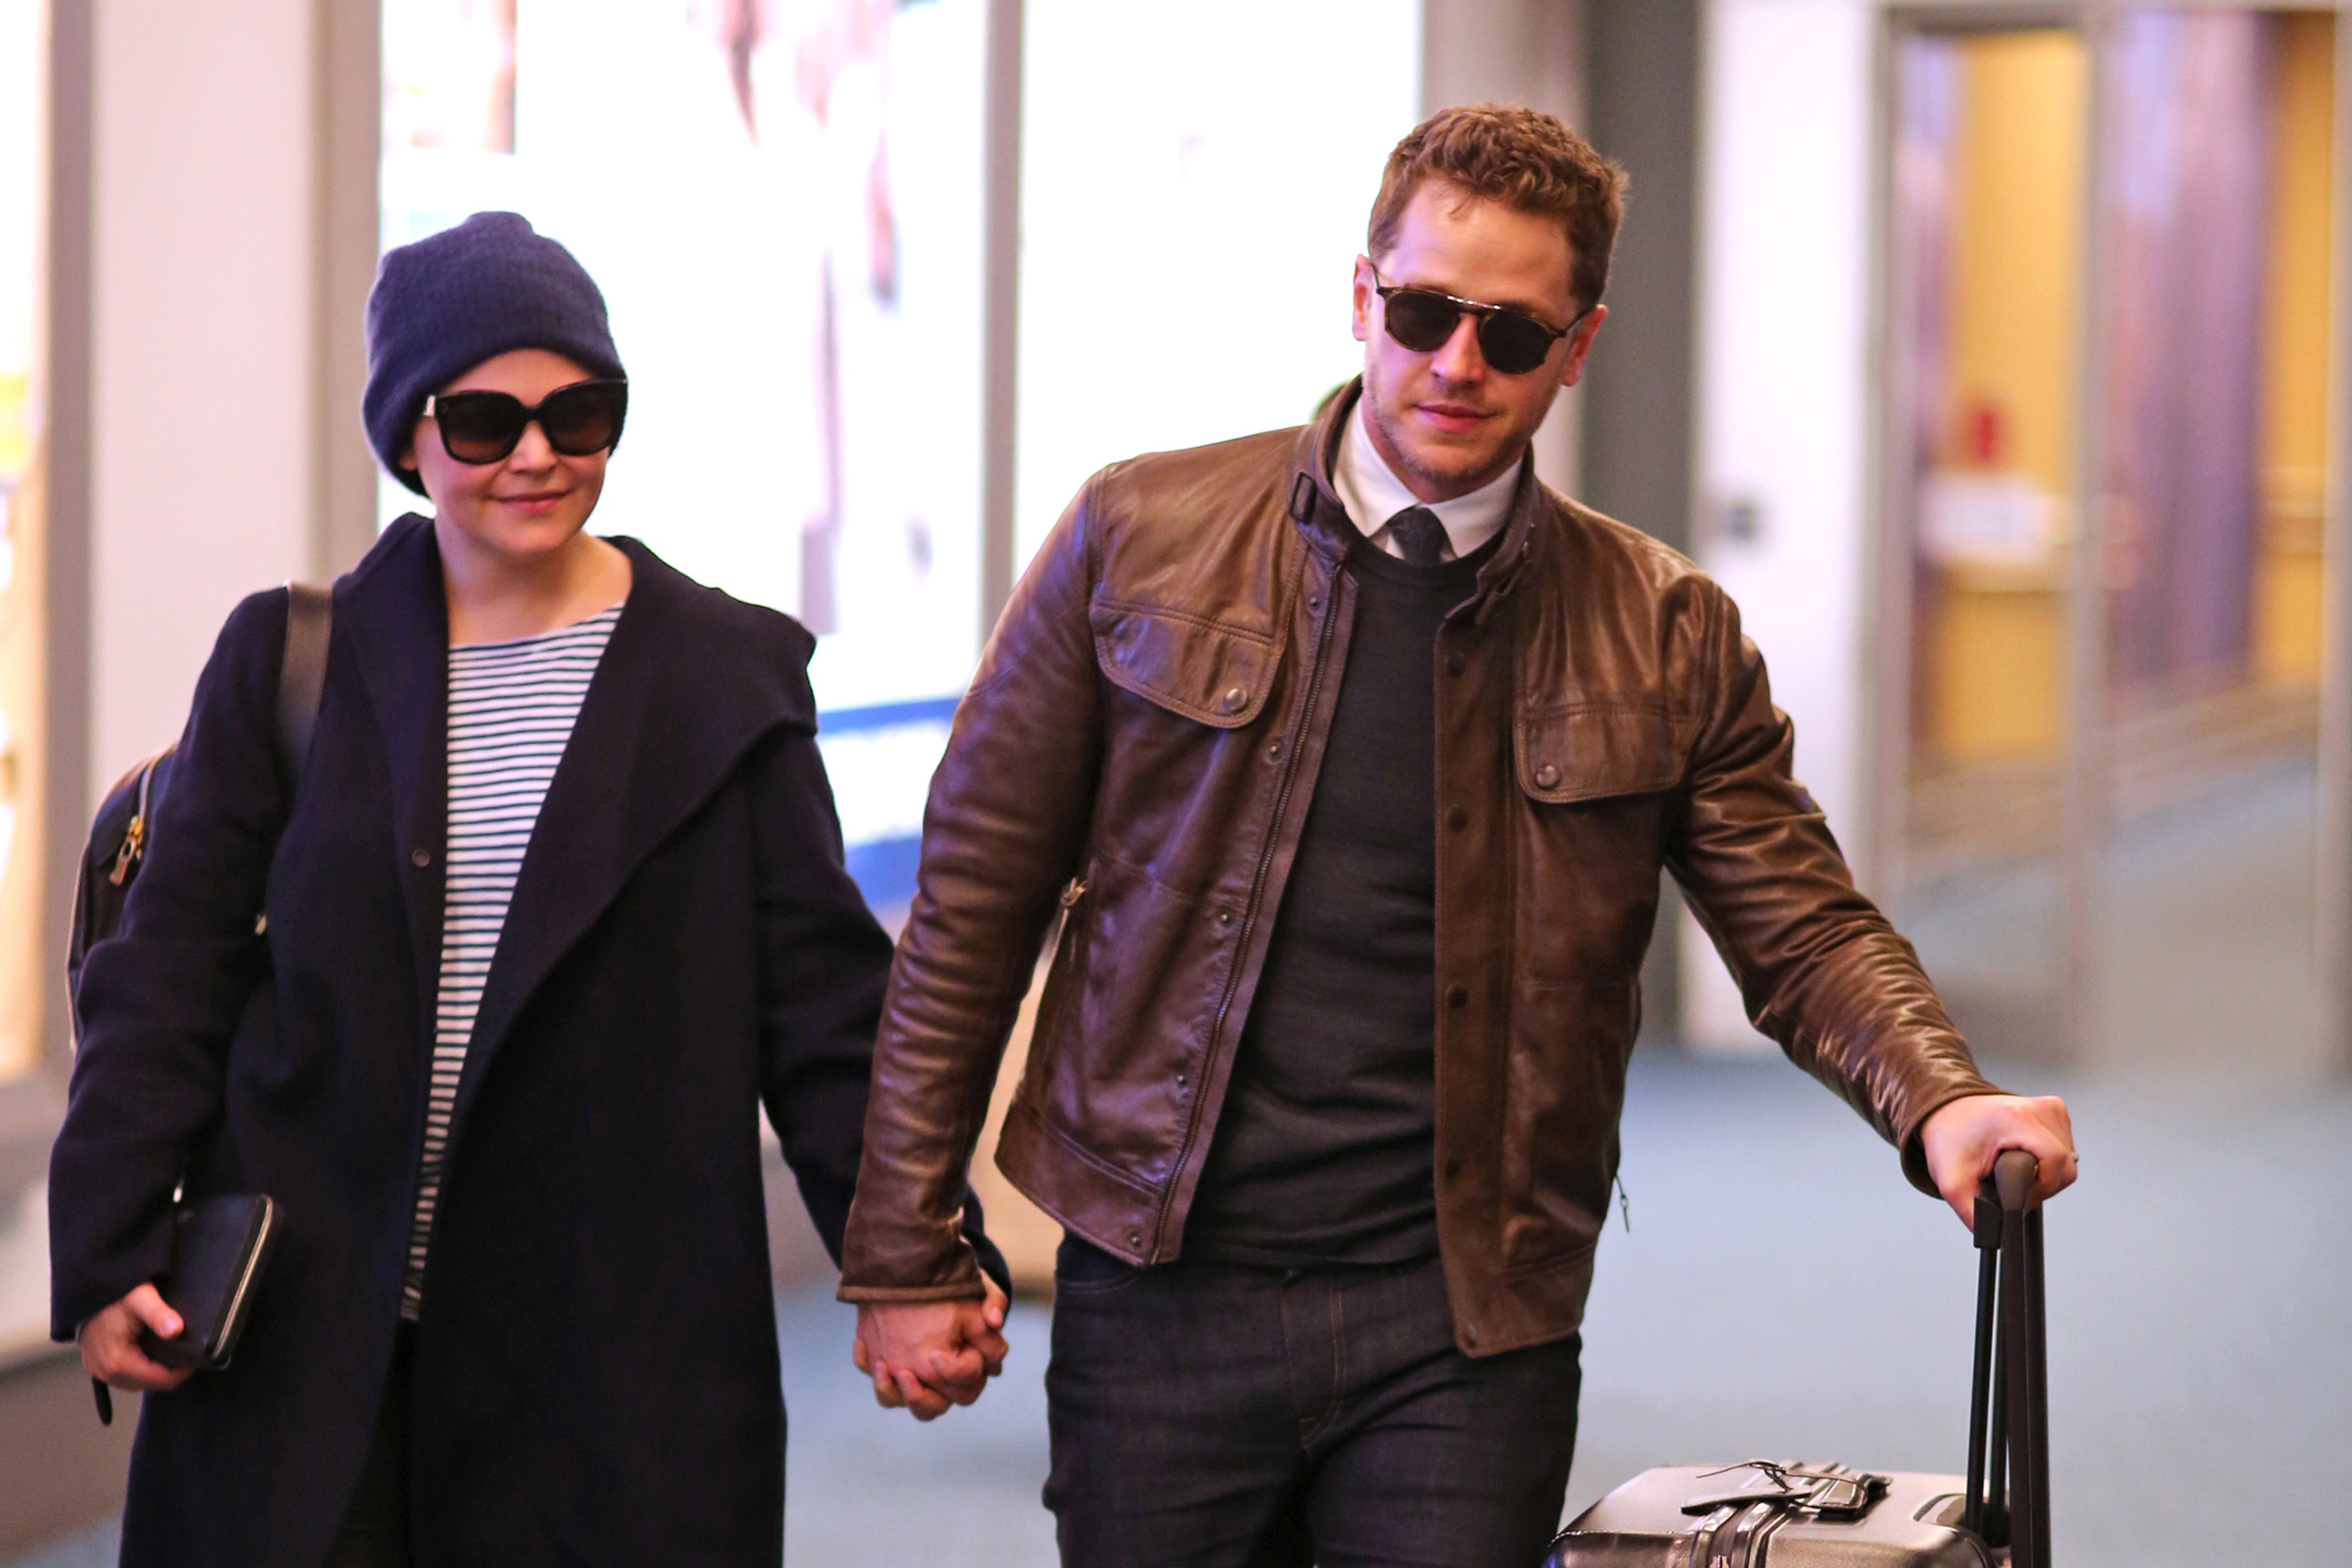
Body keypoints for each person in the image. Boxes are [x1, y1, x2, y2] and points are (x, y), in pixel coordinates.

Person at [835, 104, 2079, 1566]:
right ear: (1363, 298)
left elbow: (1801, 930)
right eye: (1424, 313)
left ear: (1579, 345)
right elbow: (974, 903)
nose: (1458, 364)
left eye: (1514, 333)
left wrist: (1941, 1099)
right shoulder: (1140, 536)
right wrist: (902, 1242)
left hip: (1465, 1315)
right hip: (1163, 1286)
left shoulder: (1663, 630)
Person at [48, 211, 1007, 1568]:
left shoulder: (724, 682)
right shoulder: (290, 661)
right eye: (486, 421)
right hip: (305, 1357)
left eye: (579, 413)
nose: (539, 454)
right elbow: (165, 978)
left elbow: (827, 1021)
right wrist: (106, 1247)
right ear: (410, 436)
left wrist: (918, 1254)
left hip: (607, 1376)